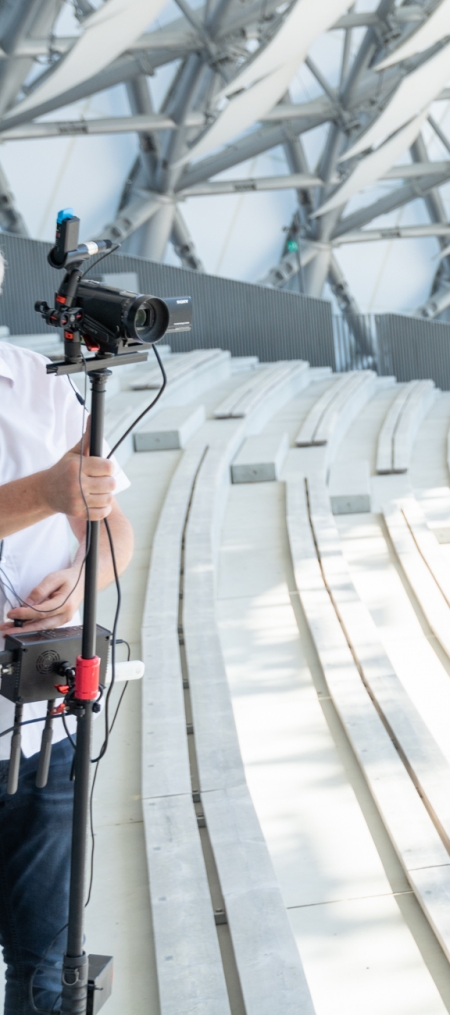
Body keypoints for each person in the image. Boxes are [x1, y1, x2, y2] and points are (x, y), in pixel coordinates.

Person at [0, 257, 134, 1015]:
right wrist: (46, 492)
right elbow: (61, 492)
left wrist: (86, 579)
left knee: (45, 970)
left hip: (42, 733)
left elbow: (113, 523)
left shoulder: (46, 384)